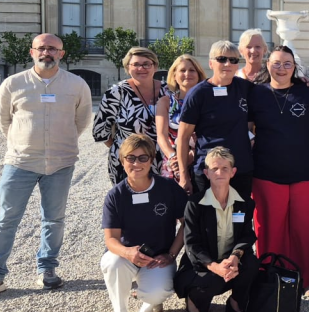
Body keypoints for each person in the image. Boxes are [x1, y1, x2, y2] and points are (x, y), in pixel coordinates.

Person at [0, 34, 93, 300]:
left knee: (54, 219)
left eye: (52, 48)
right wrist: (23, 143)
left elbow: (81, 120)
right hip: (20, 163)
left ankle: (47, 270)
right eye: (42, 47)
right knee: (6, 220)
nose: (46, 52)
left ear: (62, 54)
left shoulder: (77, 85)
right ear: (32, 51)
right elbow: (4, 121)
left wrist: (60, 143)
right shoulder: (13, 84)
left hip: (61, 162)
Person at [248, 46, 309, 296]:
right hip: (266, 173)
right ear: (267, 65)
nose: (282, 68)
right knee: (269, 229)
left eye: (287, 63)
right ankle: (271, 277)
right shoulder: (256, 93)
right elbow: (247, 128)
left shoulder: (308, 92)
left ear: (294, 67)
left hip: (308, 172)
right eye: (276, 63)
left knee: (308, 228)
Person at [99, 134, 186, 312]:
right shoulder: (116, 195)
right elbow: (110, 239)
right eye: (130, 158)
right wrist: (128, 253)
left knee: (157, 292)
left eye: (142, 158)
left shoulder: (168, 188)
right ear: (122, 161)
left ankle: (150, 300)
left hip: (158, 257)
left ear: (152, 160)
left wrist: (171, 254)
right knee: (113, 263)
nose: (136, 163)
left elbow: (186, 225)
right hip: (126, 256)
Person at [174, 146, 259, 312]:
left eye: (225, 168)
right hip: (203, 266)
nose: (219, 172)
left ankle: (236, 303)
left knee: (251, 264)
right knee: (212, 285)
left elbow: (247, 235)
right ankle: (193, 300)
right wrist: (215, 267)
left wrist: (235, 257)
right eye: (214, 168)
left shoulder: (245, 203)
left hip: (229, 262)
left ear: (233, 172)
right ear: (206, 173)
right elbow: (192, 245)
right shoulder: (195, 204)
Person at [176, 41, 255, 198]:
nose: (228, 64)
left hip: (240, 169)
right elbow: (183, 137)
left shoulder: (245, 88)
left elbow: (275, 90)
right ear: (211, 63)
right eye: (222, 59)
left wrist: (304, 83)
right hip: (208, 170)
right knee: (208, 220)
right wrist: (184, 176)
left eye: (233, 60)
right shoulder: (198, 94)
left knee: (238, 219)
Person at [93, 46, 167, 183]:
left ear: (155, 66)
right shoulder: (116, 93)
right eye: (136, 64)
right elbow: (100, 130)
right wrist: (125, 149)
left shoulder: (168, 90)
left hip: (164, 163)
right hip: (129, 163)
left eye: (146, 64)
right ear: (128, 67)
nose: (141, 68)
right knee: (129, 203)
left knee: (163, 203)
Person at [155, 54, 205, 180]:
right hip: (173, 164)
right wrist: (173, 157)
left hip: (202, 160)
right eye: (182, 70)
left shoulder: (208, 101)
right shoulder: (165, 102)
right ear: (174, 76)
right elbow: (161, 135)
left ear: (199, 75)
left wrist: (191, 156)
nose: (187, 73)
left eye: (192, 70)